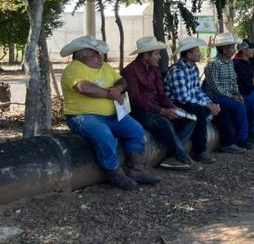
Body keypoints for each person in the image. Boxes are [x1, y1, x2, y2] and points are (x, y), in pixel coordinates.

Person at [60, 36, 160, 190]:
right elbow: (84, 87)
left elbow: (122, 81)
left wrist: (118, 89)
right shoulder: (73, 69)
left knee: (135, 130)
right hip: (82, 116)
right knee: (104, 135)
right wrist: (109, 93)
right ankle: (114, 173)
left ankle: (136, 168)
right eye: (95, 54)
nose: (100, 57)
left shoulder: (105, 67)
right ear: (83, 55)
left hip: (113, 114)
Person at [123, 37, 201, 172]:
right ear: (146, 56)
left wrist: (172, 107)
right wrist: (162, 111)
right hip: (138, 111)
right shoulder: (130, 71)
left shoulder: (154, 69)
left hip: (156, 107)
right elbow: (136, 100)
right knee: (164, 122)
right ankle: (183, 158)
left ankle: (173, 157)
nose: (159, 57)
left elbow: (161, 94)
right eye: (157, 54)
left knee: (190, 119)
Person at [164, 37, 221, 162]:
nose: (200, 53)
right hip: (175, 103)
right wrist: (206, 105)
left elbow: (196, 91)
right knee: (200, 111)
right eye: (197, 51)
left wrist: (209, 102)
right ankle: (200, 151)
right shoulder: (177, 70)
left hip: (187, 101)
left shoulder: (193, 68)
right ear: (189, 55)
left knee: (213, 105)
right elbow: (183, 98)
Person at [204, 33, 251, 153]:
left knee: (242, 104)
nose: (234, 50)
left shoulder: (230, 62)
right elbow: (214, 87)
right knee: (239, 107)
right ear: (224, 50)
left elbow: (233, 80)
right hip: (216, 97)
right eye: (232, 47)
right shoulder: (213, 64)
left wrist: (237, 94)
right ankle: (240, 140)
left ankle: (241, 138)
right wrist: (232, 96)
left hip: (229, 96)